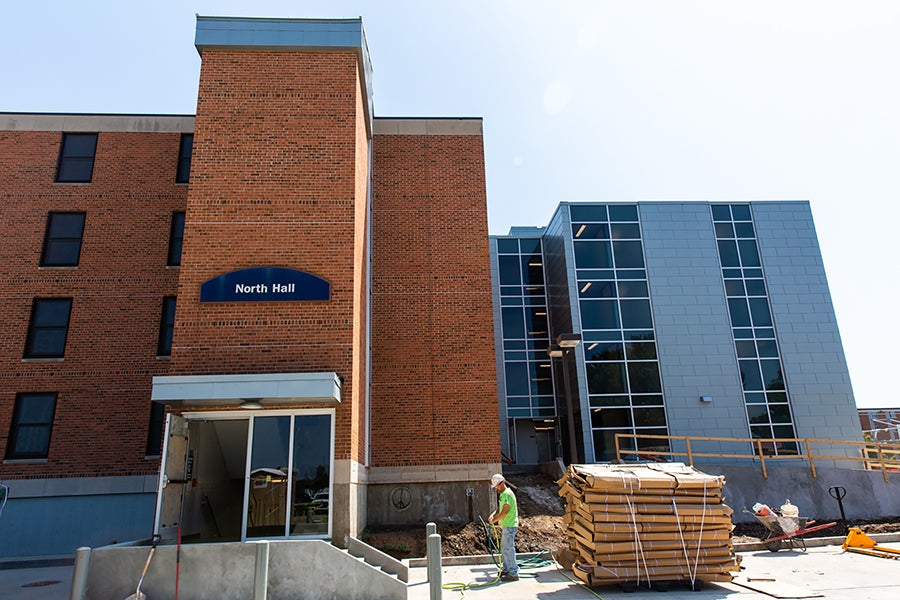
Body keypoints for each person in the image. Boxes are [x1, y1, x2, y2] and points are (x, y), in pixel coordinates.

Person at [488, 473, 519, 581]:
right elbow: (500, 508)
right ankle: (507, 569)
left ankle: (513, 573)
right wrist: (493, 514)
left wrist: (495, 520)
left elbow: (505, 512)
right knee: (505, 549)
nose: (496, 489)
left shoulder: (507, 494)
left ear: (502, 483)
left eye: (496, 486)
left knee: (509, 549)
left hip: (510, 525)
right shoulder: (503, 494)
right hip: (506, 525)